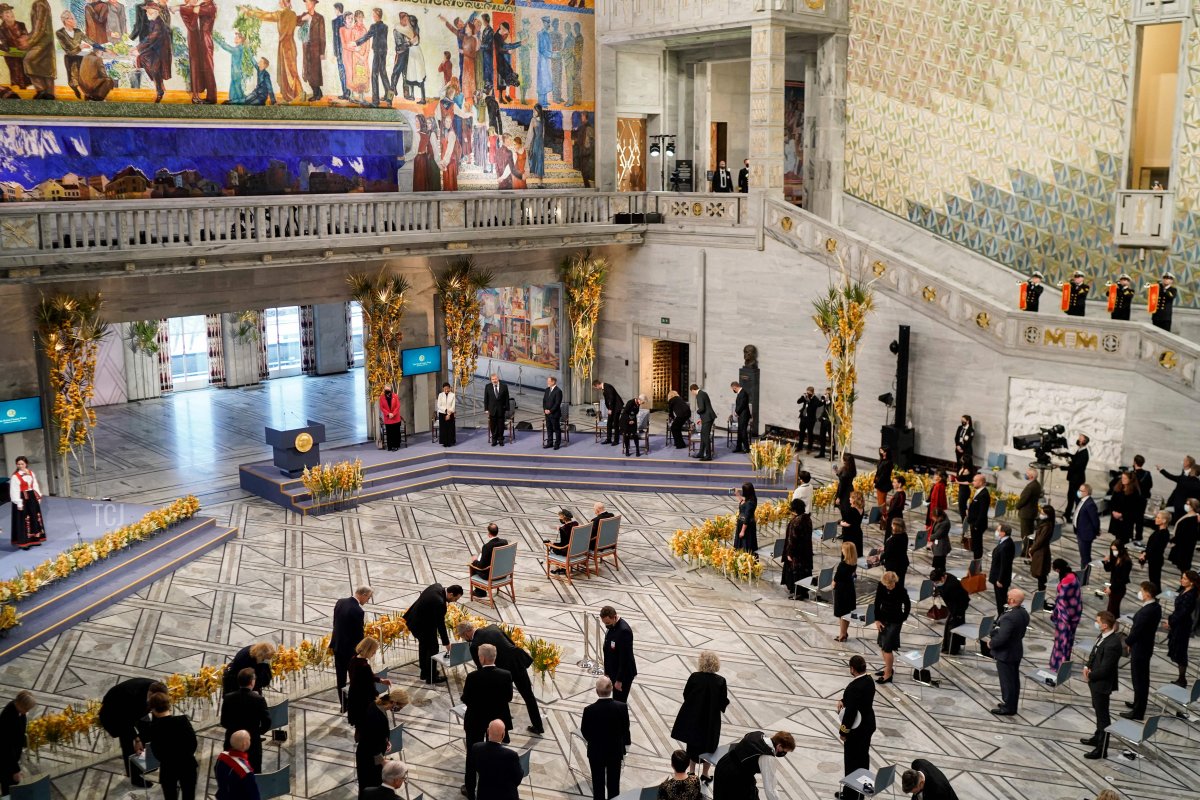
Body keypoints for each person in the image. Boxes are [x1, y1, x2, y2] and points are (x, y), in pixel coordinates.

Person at [458, 621, 543, 735]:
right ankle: (538, 726)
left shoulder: (474, 645)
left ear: (467, 633)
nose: (464, 639)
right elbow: (511, 642)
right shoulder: (493, 627)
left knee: (500, 699)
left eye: (463, 636)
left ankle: (502, 731)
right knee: (528, 696)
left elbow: (482, 667)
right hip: (517, 663)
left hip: (503, 672)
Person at [461, 643, 513, 799]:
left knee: (472, 754)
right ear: (494, 657)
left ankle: (470, 789)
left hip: (475, 720)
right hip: (496, 721)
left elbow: (466, 698)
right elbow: (508, 698)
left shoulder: (473, 677)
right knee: (495, 753)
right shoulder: (506, 675)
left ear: (482, 658)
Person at [669, 651, 729, 784]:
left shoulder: (694, 677)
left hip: (694, 717)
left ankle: (691, 771)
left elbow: (686, 694)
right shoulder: (720, 681)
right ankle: (705, 773)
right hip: (711, 720)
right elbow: (722, 702)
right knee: (709, 746)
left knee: (692, 745)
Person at [99, 678, 167, 787]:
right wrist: (137, 739)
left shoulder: (159, 689)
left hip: (137, 710)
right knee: (128, 743)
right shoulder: (131, 696)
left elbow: (157, 709)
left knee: (148, 734)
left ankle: (147, 764)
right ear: (149, 694)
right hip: (116, 712)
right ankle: (134, 777)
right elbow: (126, 721)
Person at [1080, 611, 1123, 759]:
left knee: (1103, 717)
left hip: (1102, 684)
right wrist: (1087, 666)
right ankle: (1097, 737)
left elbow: (1105, 669)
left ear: (1104, 625)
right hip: (1095, 682)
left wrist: (1090, 675)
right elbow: (1094, 652)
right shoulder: (1103, 636)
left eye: (1098, 621)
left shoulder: (1113, 644)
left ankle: (1102, 749)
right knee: (1098, 711)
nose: (1096, 623)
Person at [581, 676, 631, 800]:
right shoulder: (622, 707)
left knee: (598, 786)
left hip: (596, 752)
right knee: (614, 786)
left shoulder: (589, 710)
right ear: (612, 689)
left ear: (596, 691)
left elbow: (585, 731)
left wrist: (594, 741)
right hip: (614, 752)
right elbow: (625, 729)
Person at [403, 582, 463, 683]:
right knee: (433, 648)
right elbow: (440, 625)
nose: (454, 601)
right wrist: (447, 643)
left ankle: (424, 672)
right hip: (422, 626)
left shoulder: (437, 586)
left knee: (424, 646)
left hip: (416, 620)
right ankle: (431, 677)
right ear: (451, 594)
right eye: (455, 599)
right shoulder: (439, 603)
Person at [243, 0, 300, 103]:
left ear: (283, 2)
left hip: (284, 46)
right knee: (291, 71)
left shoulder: (281, 13)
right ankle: (292, 96)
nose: (279, 2)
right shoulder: (293, 14)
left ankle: (293, 96)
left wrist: (249, 12)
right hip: (291, 45)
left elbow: (266, 15)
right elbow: (299, 21)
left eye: (280, 1)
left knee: (288, 72)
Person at [711, 730, 794, 800]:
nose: (784, 753)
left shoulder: (758, 734)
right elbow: (770, 788)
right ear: (779, 746)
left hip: (724, 763)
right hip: (735, 777)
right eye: (785, 750)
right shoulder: (767, 756)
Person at [145, 692, 198, 800]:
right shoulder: (182, 720)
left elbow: (157, 752)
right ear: (169, 705)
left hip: (168, 767)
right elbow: (193, 743)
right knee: (189, 795)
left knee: (170, 796)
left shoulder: (153, 728)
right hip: (187, 764)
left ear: (153, 709)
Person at [837, 655, 876, 800]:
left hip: (857, 730)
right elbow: (859, 700)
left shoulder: (853, 687)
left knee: (852, 762)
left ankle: (850, 796)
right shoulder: (869, 680)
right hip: (868, 725)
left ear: (852, 669)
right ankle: (862, 791)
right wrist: (843, 700)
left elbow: (850, 714)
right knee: (863, 759)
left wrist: (843, 731)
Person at [1122, 581, 1162, 720]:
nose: (1140, 593)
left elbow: (1138, 630)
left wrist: (1127, 642)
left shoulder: (1148, 610)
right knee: (1140, 679)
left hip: (1140, 648)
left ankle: (1138, 712)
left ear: (1147, 593)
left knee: (1139, 680)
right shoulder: (1155, 606)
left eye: (1142, 590)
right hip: (1144, 646)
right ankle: (1137, 703)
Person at [988, 588, 1029, 716]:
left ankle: (1008, 707)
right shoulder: (1023, 613)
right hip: (1016, 650)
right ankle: (1011, 704)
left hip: (1006, 653)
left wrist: (991, 643)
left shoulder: (1009, 617)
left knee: (1007, 682)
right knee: (1014, 680)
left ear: (1011, 600)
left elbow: (1002, 637)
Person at [356, 689, 407, 791]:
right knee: (369, 789)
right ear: (394, 702)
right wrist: (383, 761)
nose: (399, 710)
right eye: (400, 707)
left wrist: (385, 740)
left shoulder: (377, 707)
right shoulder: (377, 716)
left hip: (370, 756)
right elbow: (369, 742)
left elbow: (375, 733)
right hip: (368, 760)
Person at [220, 668, 270, 773]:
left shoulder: (228, 698)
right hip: (252, 743)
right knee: (253, 770)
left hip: (231, 741)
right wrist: (256, 732)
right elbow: (267, 722)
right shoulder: (258, 699)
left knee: (231, 770)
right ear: (252, 682)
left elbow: (223, 721)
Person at [330, 585, 371, 700]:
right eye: (368, 598)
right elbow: (359, 635)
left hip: (337, 646)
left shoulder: (340, 602)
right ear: (363, 595)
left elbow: (335, 622)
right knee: (355, 677)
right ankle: (354, 702)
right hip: (350, 651)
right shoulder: (358, 610)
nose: (367, 601)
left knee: (340, 678)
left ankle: (343, 704)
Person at [873, 571, 910, 684]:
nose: (887, 587)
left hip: (895, 621)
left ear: (894, 582)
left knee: (887, 648)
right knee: (882, 645)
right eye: (886, 585)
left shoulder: (900, 590)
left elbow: (907, 604)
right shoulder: (881, 586)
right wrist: (877, 620)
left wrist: (903, 618)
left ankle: (888, 674)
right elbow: (877, 603)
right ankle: (887, 668)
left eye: (889, 585)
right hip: (883, 619)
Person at [470, 719, 522, 800]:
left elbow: (474, 767)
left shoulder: (476, 748)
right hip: (506, 795)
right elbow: (518, 777)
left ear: (487, 731)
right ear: (503, 734)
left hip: (484, 794)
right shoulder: (511, 755)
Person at [178, 0, 217, 104]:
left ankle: (212, 98)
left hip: (205, 41)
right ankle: (201, 95)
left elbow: (195, 9)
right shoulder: (203, 5)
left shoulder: (210, 6)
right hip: (198, 41)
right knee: (199, 67)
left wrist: (179, 7)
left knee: (208, 68)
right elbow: (192, 12)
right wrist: (183, 7)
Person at [1048, 558, 1083, 670]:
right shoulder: (1074, 576)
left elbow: (1062, 601)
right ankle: (1064, 663)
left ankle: (1059, 665)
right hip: (1075, 613)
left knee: (1062, 642)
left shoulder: (1066, 582)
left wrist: (1060, 616)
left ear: (1058, 569)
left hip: (1065, 616)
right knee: (1069, 641)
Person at [1167, 570, 1198, 688]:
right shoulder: (1185, 590)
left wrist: (1171, 622)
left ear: (1191, 582)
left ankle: (1182, 679)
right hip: (1179, 623)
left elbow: (1183, 612)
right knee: (1178, 650)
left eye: (1184, 579)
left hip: (1182, 626)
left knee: (1181, 651)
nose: (1181, 580)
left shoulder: (1191, 595)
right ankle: (1181, 678)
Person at [0, 691, 34, 795]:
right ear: (19, 704)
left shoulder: (18, 711)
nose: (27, 711)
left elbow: (20, 732)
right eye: (26, 708)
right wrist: (15, 770)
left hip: (11, 757)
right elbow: (6, 748)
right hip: (5, 760)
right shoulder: (8, 717)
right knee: (9, 788)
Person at [600, 605, 637, 702]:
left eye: (607, 622)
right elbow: (608, 650)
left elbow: (625, 658)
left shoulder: (624, 631)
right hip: (613, 671)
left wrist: (619, 680)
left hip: (623, 675)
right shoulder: (612, 626)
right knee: (616, 701)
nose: (606, 625)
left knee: (619, 702)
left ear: (615, 617)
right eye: (604, 623)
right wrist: (607, 672)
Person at [9, 457, 46, 550]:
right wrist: (19, 503)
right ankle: (25, 542)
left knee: (34, 516)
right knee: (24, 519)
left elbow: (35, 485)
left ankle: (35, 539)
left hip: (32, 497)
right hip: (22, 498)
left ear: (26, 464)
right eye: (18, 464)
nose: (20, 466)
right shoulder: (15, 476)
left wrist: (38, 496)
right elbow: (14, 491)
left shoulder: (31, 473)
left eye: (22, 464)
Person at [931, 568, 969, 655]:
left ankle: (952, 649)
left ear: (942, 578)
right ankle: (950, 647)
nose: (935, 584)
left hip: (959, 606)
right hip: (956, 604)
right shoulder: (946, 577)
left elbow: (955, 601)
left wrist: (957, 614)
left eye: (937, 582)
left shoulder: (951, 585)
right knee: (951, 625)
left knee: (953, 627)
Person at [781, 498, 813, 599]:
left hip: (797, 553)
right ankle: (804, 591)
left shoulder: (795, 522)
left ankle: (797, 592)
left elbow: (792, 539)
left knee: (796, 572)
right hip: (806, 551)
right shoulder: (808, 519)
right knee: (805, 571)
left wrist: (789, 553)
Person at [214, 730, 259, 800]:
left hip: (222, 795)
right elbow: (253, 795)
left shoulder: (222, 756)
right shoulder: (245, 771)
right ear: (244, 744)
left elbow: (216, 771)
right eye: (249, 739)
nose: (250, 741)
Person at [469, 523, 508, 598]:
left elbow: (481, 566)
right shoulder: (504, 542)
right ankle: (480, 591)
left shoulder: (487, 547)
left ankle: (480, 592)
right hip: (503, 573)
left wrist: (475, 561)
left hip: (491, 575)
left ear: (489, 533)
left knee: (473, 566)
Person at [833, 541, 858, 643]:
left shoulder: (842, 565)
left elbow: (835, 581)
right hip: (850, 589)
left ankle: (842, 634)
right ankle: (844, 632)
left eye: (843, 549)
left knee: (841, 613)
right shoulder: (854, 563)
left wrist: (833, 584)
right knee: (847, 613)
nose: (841, 550)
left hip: (841, 590)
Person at [1139, 510, 1171, 591]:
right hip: (1153, 558)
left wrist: (1144, 555)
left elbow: (1154, 549)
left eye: (1158, 517)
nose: (1155, 519)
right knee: (1153, 579)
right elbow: (1151, 546)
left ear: (1164, 521)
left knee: (1155, 580)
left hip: (1156, 560)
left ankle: (1155, 596)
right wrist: (1144, 553)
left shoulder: (1163, 534)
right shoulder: (1159, 530)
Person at [1014, 467, 1042, 554]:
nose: (1025, 475)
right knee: (1029, 533)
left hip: (1026, 513)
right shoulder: (1037, 484)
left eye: (1027, 474)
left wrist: (1017, 506)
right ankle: (1028, 550)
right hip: (1032, 512)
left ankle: (1026, 551)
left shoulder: (1030, 487)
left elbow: (1024, 499)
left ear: (1031, 476)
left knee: (1025, 534)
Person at [1102, 540, 1133, 617]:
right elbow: (1108, 569)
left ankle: (1113, 626)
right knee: (1111, 609)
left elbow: (1123, 579)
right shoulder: (1115, 558)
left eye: (1115, 550)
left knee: (1113, 610)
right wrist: (1106, 562)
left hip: (1119, 589)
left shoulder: (1126, 561)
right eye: (1112, 550)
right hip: (1113, 586)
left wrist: (1111, 588)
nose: (1113, 552)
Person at [1063, 434, 1090, 518]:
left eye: (1079, 439)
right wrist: (1066, 454)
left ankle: (1077, 516)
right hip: (1073, 478)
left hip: (1077, 479)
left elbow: (1076, 467)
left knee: (1076, 499)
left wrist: (1061, 467)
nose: (1078, 439)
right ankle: (1067, 514)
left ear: (1083, 441)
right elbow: (1075, 458)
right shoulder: (1080, 450)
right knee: (1070, 497)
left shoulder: (1084, 453)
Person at [1170, 498, 1200, 574]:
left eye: (1188, 504)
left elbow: (1185, 533)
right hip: (1182, 545)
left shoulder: (1192, 519)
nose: (1185, 505)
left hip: (1185, 547)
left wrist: (1174, 540)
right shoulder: (1189, 515)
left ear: (1192, 506)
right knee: (1181, 566)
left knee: (1184, 566)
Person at [1107, 471, 1139, 543]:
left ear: (1130, 479)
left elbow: (1134, 508)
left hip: (1126, 520)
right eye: (1122, 478)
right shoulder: (1118, 488)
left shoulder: (1134, 492)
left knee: (1124, 539)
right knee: (1117, 538)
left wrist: (1122, 515)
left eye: (1125, 478)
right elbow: (1112, 501)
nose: (1123, 480)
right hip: (1116, 517)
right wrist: (1113, 512)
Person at [1073, 483, 1100, 565]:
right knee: (1083, 556)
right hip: (1079, 532)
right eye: (1079, 490)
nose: (1079, 492)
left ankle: (1085, 575)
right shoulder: (1082, 501)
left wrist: (1096, 531)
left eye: (1081, 491)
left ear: (1087, 492)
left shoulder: (1090, 504)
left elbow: (1095, 520)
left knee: (1085, 557)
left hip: (1085, 535)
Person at [1029, 505, 1054, 592]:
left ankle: (1041, 593)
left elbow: (1040, 540)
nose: (1041, 514)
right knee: (1041, 576)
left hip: (1041, 553)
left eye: (1043, 513)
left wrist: (1032, 549)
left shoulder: (1047, 526)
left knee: (1041, 575)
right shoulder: (1045, 524)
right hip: (1040, 551)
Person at [965, 473, 990, 560]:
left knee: (977, 545)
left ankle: (977, 564)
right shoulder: (979, 492)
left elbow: (982, 512)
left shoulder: (984, 495)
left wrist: (976, 525)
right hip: (974, 522)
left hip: (978, 524)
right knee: (975, 545)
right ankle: (976, 562)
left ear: (981, 482)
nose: (973, 482)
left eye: (975, 481)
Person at [1131, 454, 1154, 542]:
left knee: (1131, 518)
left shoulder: (1132, 474)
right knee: (1139, 519)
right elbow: (1150, 485)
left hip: (1133, 500)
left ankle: (1130, 535)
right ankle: (1138, 537)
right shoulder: (1147, 474)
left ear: (1134, 462)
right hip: (1143, 500)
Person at [690, 384, 716, 461]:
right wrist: (701, 419)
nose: (692, 393)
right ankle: (701, 453)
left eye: (692, 392)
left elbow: (702, 408)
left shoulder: (699, 395)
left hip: (707, 418)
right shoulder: (703, 393)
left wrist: (696, 412)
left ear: (693, 389)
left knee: (705, 436)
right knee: (703, 435)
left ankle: (708, 456)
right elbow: (706, 407)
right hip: (707, 417)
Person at [882, 518, 910, 587]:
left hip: (894, 566)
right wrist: (885, 547)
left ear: (896, 527)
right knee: (900, 584)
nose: (891, 525)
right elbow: (896, 549)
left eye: (892, 524)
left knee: (892, 585)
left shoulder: (894, 539)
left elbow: (888, 553)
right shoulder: (904, 535)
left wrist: (879, 557)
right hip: (902, 563)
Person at [484, 374, 510, 447]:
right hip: (492, 410)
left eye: (495, 379)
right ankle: (494, 440)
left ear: (498, 379)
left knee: (501, 426)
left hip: (501, 409)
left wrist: (507, 408)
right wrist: (486, 409)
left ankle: (501, 440)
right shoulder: (488, 386)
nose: (494, 380)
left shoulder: (504, 386)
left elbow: (507, 398)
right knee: (493, 426)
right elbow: (486, 398)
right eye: (493, 379)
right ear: (491, 380)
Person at [873, 447, 894, 528]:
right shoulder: (882, 460)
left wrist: (877, 482)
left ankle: (884, 520)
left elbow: (884, 475)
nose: (883, 453)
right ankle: (883, 518)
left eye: (884, 452)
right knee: (881, 503)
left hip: (883, 484)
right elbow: (878, 472)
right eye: (881, 452)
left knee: (881, 503)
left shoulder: (888, 462)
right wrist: (875, 480)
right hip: (880, 482)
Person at [840, 490, 865, 559]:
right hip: (858, 533)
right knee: (855, 556)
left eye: (851, 497)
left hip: (850, 535)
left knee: (848, 556)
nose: (849, 498)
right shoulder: (861, 508)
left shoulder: (852, 510)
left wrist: (840, 523)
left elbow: (848, 524)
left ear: (854, 499)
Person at [734, 482, 758, 553]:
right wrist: (737, 495)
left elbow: (747, 517)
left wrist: (742, 531)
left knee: (745, 547)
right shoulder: (750, 499)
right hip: (743, 524)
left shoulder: (750, 503)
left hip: (746, 527)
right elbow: (744, 504)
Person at [542, 375, 563, 450]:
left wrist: (550, 410)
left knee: (556, 429)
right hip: (547, 413)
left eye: (549, 381)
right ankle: (550, 443)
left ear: (553, 382)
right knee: (549, 428)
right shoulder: (547, 390)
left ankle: (557, 444)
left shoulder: (558, 391)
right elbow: (544, 401)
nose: (547, 382)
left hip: (554, 414)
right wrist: (545, 409)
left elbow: (557, 403)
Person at [928, 506, 951, 573]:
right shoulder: (941, 519)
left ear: (939, 516)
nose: (934, 520)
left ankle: (940, 576)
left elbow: (938, 534)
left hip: (941, 546)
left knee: (940, 565)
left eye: (935, 518)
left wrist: (930, 537)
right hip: (938, 546)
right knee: (937, 564)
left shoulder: (945, 523)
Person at [731, 381, 751, 453]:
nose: (733, 390)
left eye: (733, 389)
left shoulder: (743, 393)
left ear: (734, 387)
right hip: (741, 415)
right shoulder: (741, 393)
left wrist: (736, 412)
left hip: (744, 415)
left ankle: (746, 448)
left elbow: (742, 404)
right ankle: (738, 447)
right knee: (740, 432)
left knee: (743, 432)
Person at [436, 382, 456, 447]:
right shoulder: (440, 395)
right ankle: (444, 442)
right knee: (443, 429)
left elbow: (453, 406)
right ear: (443, 388)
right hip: (442, 413)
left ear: (449, 388)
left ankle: (450, 441)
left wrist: (449, 414)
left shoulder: (452, 395)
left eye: (447, 388)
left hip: (450, 414)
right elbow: (439, 405)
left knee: (450, 428)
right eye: (445, 389)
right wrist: (445, 410)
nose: (446, 390)